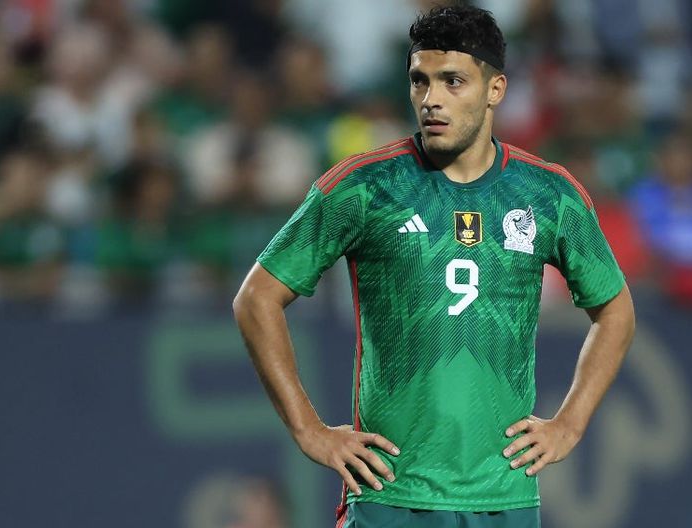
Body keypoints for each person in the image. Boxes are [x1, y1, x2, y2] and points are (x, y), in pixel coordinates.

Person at [233, 5, 636, 528]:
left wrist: (570, 424)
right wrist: (309, 430)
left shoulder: (549, 195)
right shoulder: (365, 187)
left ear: (495, 89)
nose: (431, 99)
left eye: (452, 81)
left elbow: (616, 311)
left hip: (504, 499)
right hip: (390, 496)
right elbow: (256, 298)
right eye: (419, 81)